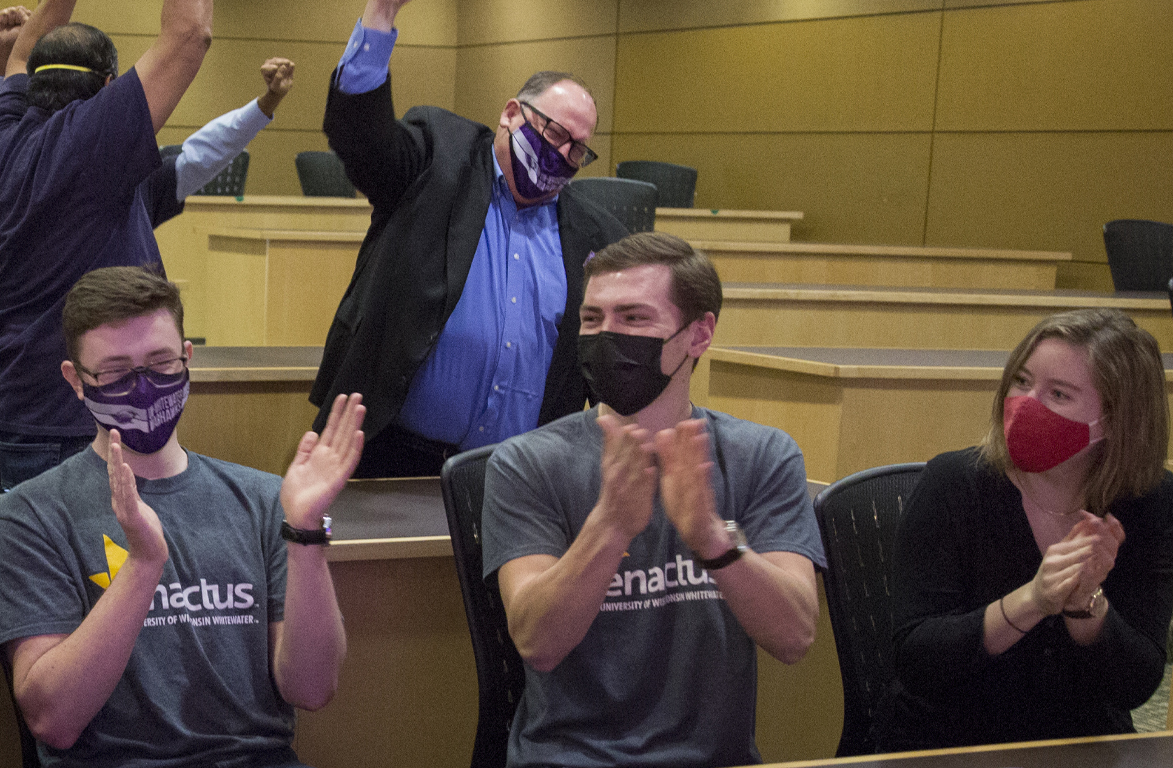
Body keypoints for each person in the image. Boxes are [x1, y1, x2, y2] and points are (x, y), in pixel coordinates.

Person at [0, 266, 361, 767]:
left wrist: (307, 530)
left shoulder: (266, 499)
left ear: (188, 359)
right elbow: (54, 720)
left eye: (161, 362)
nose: (143, 388)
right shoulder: (30, 515)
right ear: (75, 380)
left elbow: (312, 689)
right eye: (115, 372)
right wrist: (142, 565)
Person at [482, 232, 821, 768]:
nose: (607, 335)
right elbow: (537, 642)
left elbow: (795, 636)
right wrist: (610, 526)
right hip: (574, 758)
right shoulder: (527, 463)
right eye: (592, 319)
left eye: (634, 318)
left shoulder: (763, 455)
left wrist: (712, 538)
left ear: (699, 334)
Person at [317, 0, 628, 477]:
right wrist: (380, 14)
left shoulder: (596, 235)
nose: (562, 154)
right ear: (511, 113)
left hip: (519, 474)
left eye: (578, 148)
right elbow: (361, 141)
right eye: (553, 133)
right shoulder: (440, 156)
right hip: (388, 451)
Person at [0, 0, 217, 489]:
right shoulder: (92, 145)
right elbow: (189, 34)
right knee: (88, 584)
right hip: (71, 428)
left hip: (8, 408)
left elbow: (20, 54)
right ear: (109, 89)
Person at [874, 308, 1173, 752]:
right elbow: (916, 662)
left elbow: (1135, 686)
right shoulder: (954, 484)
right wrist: (1032, 601)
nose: (1027, 403)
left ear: (1113, 419)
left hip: (1080, 750)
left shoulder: (1149, 500)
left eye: (1058, 393)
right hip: (947, 745)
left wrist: (1085, 608)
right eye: (1022, 381)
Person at [0, 5, 295, 201]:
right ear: (109, 87)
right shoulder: (127, 170)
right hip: (112, 307)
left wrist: (2, 61)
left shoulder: (7, 168)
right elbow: (204, 154)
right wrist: (268, 102)